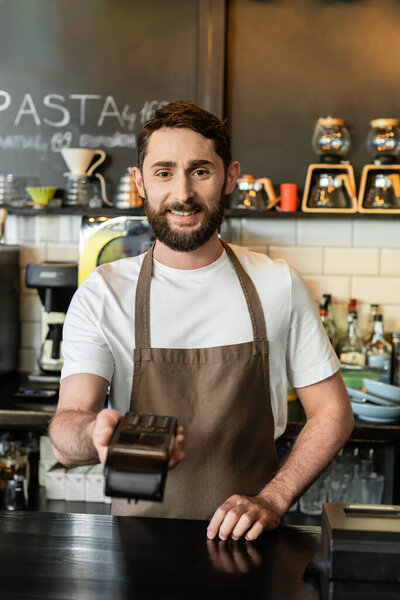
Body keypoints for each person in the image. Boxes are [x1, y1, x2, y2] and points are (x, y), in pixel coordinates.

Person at [49, 100, 354, 541]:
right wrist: (94, 431)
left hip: (250, 545)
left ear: (230, 177)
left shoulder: (276, 284)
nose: (183, 194)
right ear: (140, 183)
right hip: (135, 552)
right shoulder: (104, 293)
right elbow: (65, 431)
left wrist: (273, 498)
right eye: (164, 172)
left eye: (200, 171)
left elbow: (333, 413)